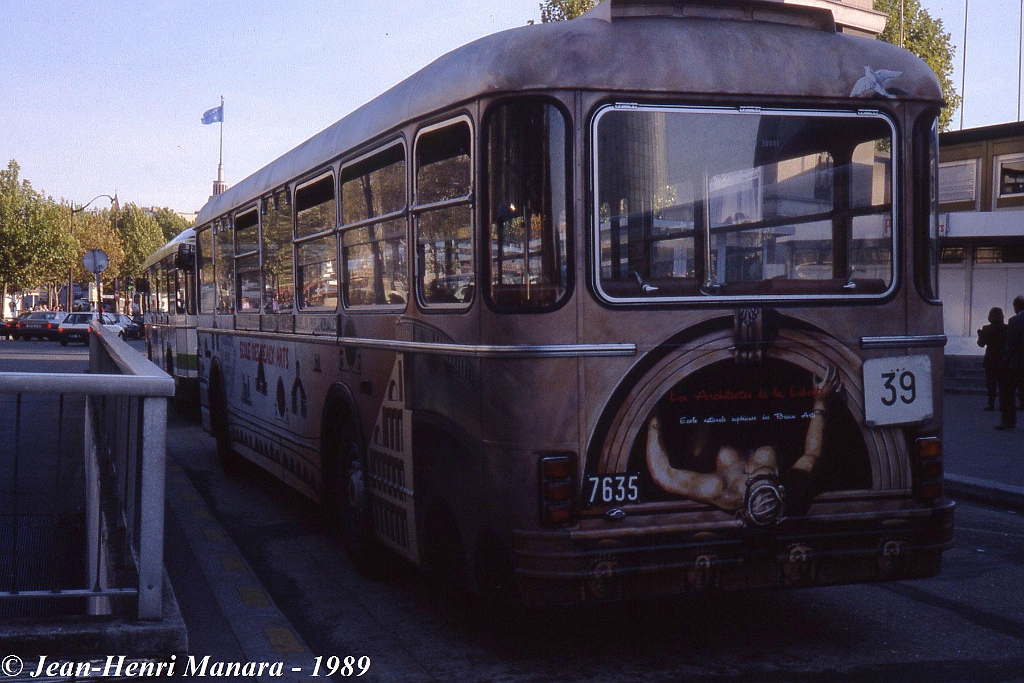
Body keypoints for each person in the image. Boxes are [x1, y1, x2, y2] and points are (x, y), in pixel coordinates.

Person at [646, 365, 842, 519]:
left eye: (771, 475)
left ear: (748, 484)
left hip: (713, 412)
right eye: (774, 476)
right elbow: (813, 454)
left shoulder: (720, 489)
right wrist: (820, 401)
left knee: (698, 451)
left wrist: (652, 414)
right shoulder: (789, 484)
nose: (775, 472)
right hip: (765, 411)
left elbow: (663, 475)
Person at [997, 295, 1024, 430]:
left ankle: (1008, 422)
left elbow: (1011, 343)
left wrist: (1005, 360)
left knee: (1008, 393)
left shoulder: (1014, 321)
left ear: (1016, 307)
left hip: (1017, 363)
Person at [978, 307, 1008, 411]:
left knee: (991, 383)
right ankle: (1002, 404)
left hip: (990, 359)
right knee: (1003, 383)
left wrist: (980, 335)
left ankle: (991, 403)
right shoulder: (1007, 328)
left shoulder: (986, 329)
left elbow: (981, 344)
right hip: (1003, 359)